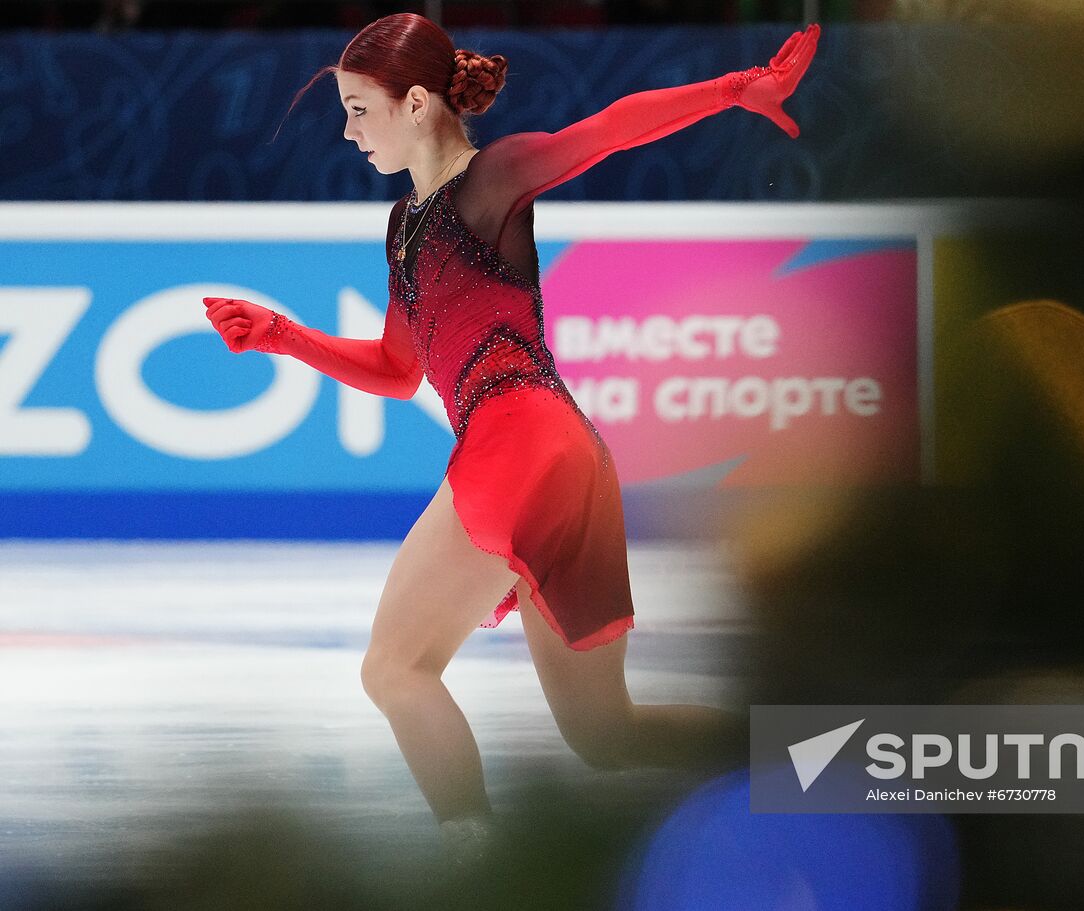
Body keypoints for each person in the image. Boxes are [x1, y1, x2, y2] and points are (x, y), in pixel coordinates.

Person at [201, 12, 820, 857]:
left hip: (519, 438)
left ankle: (473, 856)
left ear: (416, 103)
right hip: (569, 456)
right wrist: (284, 335)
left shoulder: (488, 181)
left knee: (395, 668)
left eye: (358, 110)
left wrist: (736, 89)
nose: (348, 132)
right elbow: (398, 369)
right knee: (606, 733)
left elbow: (606, 130)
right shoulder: (406, 224)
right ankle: (836, 756)